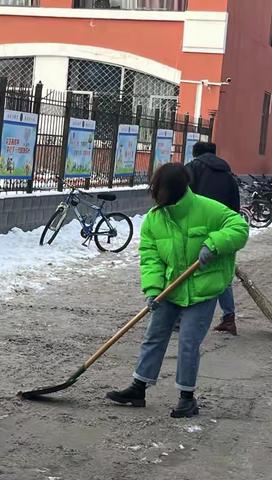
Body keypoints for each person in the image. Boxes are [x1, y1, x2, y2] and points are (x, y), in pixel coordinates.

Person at [106, 163, 248, 418]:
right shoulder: (154, 218)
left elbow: (239, 228)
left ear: (176, 189)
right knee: (154, 335)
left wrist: (214, 243)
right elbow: (150, 257)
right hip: (171, 287)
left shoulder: (208, 209)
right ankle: (139, 387)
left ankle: (186, 398)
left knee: (188, 341)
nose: (156, 196)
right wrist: (153, 289)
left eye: (160, 191)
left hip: (203, 288)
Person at [187, 142, 241, 335]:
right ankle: (229, 318)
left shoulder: (192, 169)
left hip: (197, 230)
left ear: (195, 154)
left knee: (189, 271)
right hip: (225, 231)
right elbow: (236, 208)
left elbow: (184, 199)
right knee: (223, 275)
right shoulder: (228, 174)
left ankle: (180, 318)